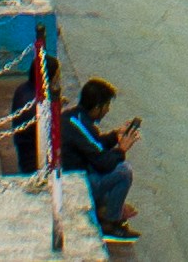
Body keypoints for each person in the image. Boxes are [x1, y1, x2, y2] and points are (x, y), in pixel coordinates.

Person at [54, 80, 137, 240]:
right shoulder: (80, 126)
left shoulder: (73, 117)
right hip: (74, 184)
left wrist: (114, 136)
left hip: (72, 173)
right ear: (98, 107)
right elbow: (102, 163)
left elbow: (94, 145)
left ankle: (108, 209)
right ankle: (110, 223)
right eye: (106, 106)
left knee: (114, 169)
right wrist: (122, 150)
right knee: (124, 171)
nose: (107, 110)